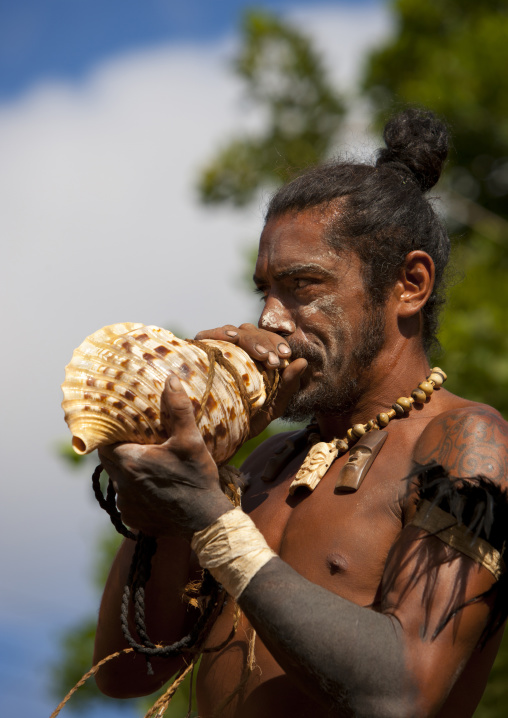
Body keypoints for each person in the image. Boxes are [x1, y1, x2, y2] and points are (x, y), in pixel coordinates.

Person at [93, 109, 508, 718]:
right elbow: (131, 669)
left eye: (304, 286)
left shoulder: (470, 447)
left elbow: (403, 693)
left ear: (410, 285)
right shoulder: (262, 466)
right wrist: (186, 466)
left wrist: (211, 516)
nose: (272, 320)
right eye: (265, 289)